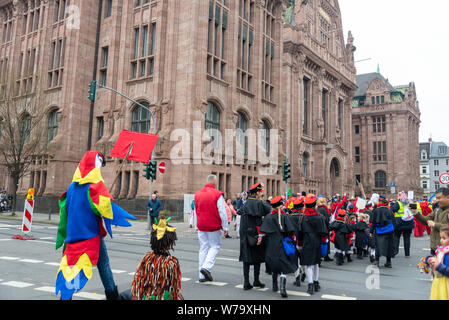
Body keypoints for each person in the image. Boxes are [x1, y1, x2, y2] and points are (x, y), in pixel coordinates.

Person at [55, 151, 137, 300]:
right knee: (102, 266)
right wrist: (107, 203)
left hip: (72, 239)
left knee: (72, 268)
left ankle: (65, 297)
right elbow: (104, 209)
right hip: (91, 238)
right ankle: (112, 296)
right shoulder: (94, 187)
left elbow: (65, 211)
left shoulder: (71, 188)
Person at [131, 216, 183, 300]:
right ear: (169, 244)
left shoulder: (146, 259)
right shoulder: (172, 262)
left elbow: (138, 282)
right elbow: (174, 288)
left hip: (146, 297)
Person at [260, 196, 298, 298]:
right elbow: (290, 230)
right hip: (282, 243)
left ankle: (274, 285)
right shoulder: (284, 217)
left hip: (271, 244)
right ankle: (282, 288)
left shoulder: (268, 217)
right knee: (283, 265)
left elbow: (263, 230)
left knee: (274, 264)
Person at [194, 175, 229, 283]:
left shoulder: (197, 194)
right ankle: (206, 267)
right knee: (215, 246)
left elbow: (196, 210)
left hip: (201, 225)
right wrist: (225, 226)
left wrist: (196, 225)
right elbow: (222, 212)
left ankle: (201, 275)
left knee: (203, 247)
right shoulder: (217, 194)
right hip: (213, 225)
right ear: (214, 182)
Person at [237, 182, 271, 290]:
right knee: (257, 258)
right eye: (260, 192)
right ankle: (256, 280)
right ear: (256, 193)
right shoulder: (259, 203)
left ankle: (246, 282)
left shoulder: (245, 203)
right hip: (256, 234)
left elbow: (239, 212)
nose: (261, 194)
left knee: (246, 258)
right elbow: (269, 210)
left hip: (245, 235)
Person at [297, 194, 328, 295]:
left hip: (306, 242)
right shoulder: (319, 218)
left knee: (309, 264)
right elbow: (324, 233)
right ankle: (315, 282)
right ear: (315, 206)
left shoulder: (302, 218)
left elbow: (299, 234)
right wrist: (324, 242)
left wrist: (299, 245)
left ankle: (310, 285)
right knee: (316, 263)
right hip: (316, 242)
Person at [412, 188, 449, 256]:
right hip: (434, 248)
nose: (436, 201)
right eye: (436, 198)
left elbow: (447, 227)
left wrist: (435, 225)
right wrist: (416, 212)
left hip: (446, 249)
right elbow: (426, 220)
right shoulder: (438, 210)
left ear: (448, 197)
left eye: (439, 198)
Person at [423, 225, 449, 300]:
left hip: (446, 284)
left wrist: (439, 266)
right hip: (438, 282)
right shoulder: (441, 250)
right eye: (441, 237)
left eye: (444, 238)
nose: (441, 240)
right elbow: (436, 258)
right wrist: (429, 259)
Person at [369, 194, 396, 268]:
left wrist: (371, 232)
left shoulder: (376, 210)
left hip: (379, 230)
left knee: (378, 245)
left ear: (379, 202)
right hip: (389, 231)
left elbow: (373, 222)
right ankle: (388, 262)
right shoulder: (389, 210)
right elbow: (394, 222)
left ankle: (377, 262)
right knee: (389, 246)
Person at [390, 192, 415, 258]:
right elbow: (414, 210)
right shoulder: (410, 202)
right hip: (409, 221)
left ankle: (395, 251)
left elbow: (393, 210)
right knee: (407, 238)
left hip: (399, 222)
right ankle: (407, 254)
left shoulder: (398, 203)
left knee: (396, 236)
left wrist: (392, 203)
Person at [316, 197, 333, 262]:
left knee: (322, 241)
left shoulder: (318, 208)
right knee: (325, 241)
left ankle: (324, 256)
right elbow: (326, 219)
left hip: (320, 227)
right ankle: (325, 256)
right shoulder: (323, 209)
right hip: (324, 227)